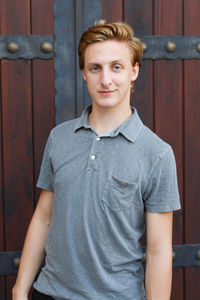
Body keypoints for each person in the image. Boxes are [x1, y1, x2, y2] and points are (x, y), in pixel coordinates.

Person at [12, 20, 181, 300]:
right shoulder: (59, 138)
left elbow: (159, 249)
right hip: (49, 292)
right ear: (84, 73)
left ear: (134, 71)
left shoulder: (158, 154)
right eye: (95, 68)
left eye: (117, 67)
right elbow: (43, 218)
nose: (105, 80)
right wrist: (19, 290)